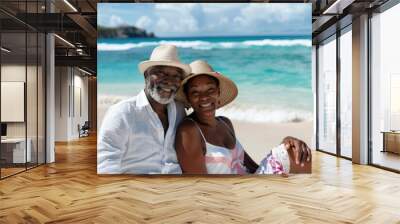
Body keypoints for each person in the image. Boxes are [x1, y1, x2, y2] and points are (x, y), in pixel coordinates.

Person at [175, 60, 312, 174]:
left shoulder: (225, 123)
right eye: (195, 92)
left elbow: (251, 167)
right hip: (228, 198)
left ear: (218, 93)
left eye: (210, 90)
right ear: (188, 98)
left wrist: (285, 143)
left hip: (250, 185)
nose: (204, 97)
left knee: (294, 151)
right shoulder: (189, 130)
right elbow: (198, 185)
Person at [97, 45, 191, 174]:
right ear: (146, 75)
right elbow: (106, 163)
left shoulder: (179, 110)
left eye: (176, 76)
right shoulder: (123, 113)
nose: (169, 81)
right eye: (161, 73)